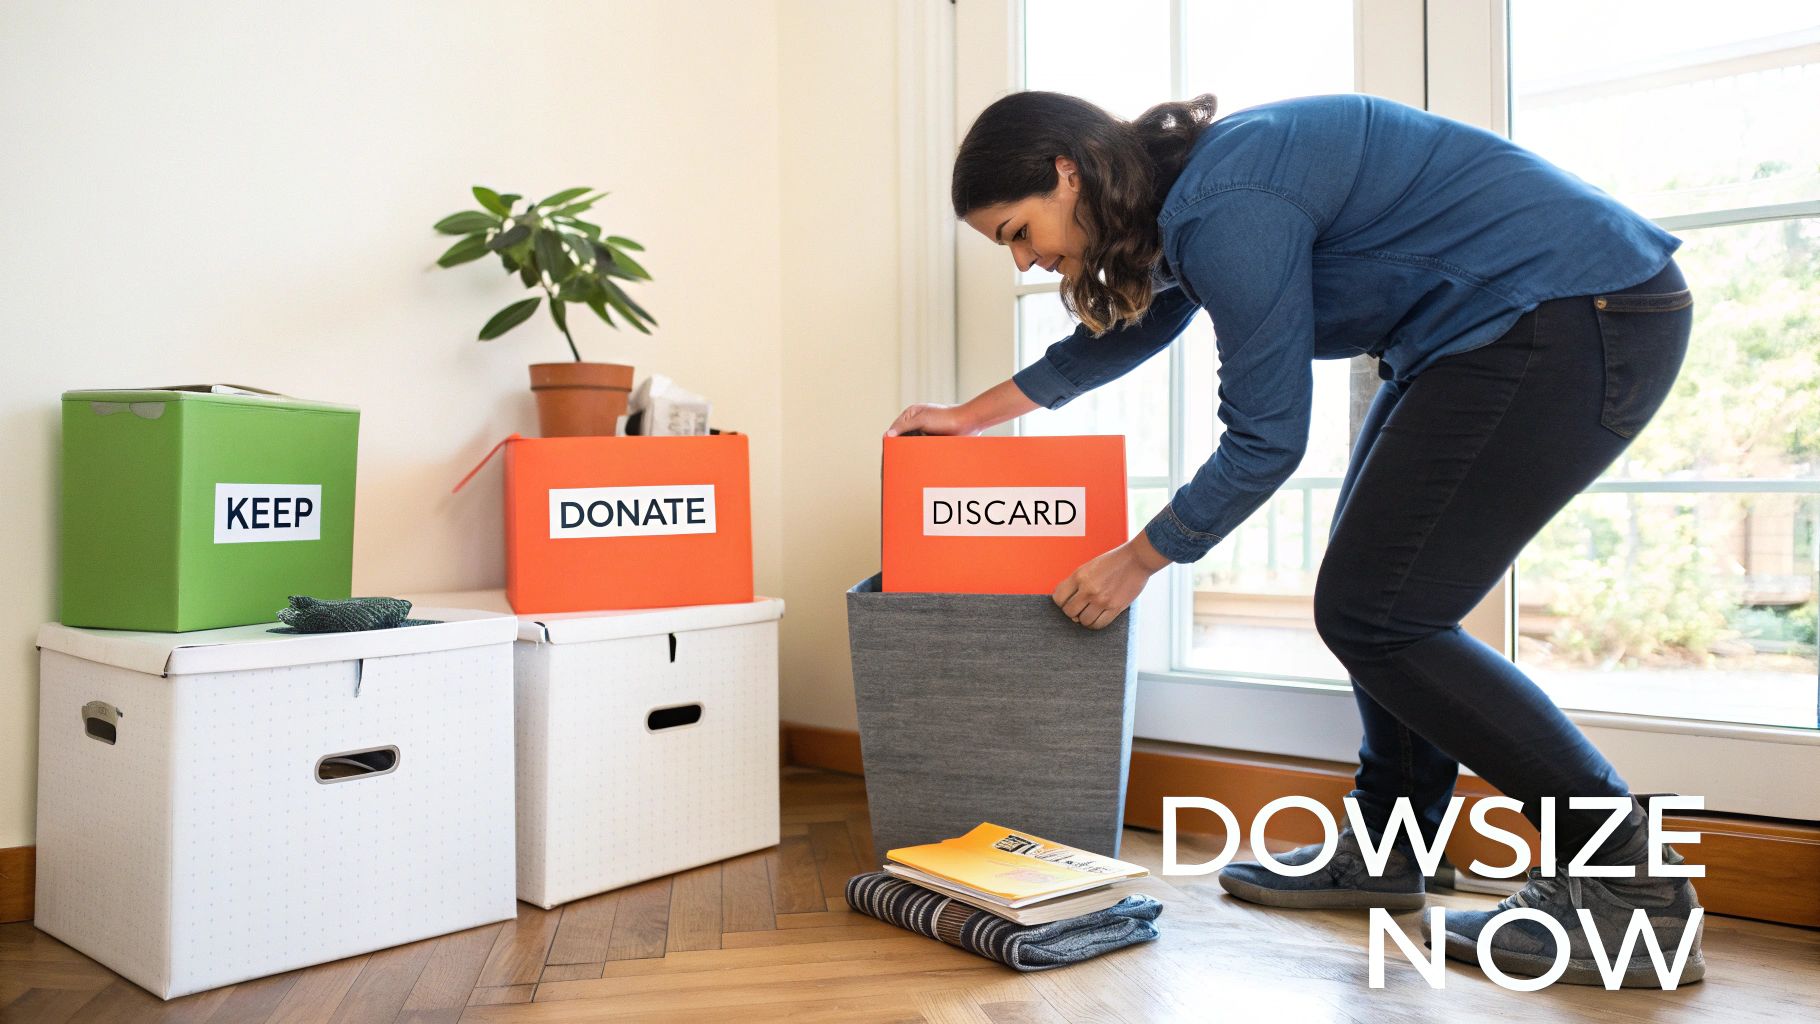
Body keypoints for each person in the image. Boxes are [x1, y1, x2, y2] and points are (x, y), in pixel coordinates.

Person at [886, 90, 1701, 988]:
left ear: (1064, 171)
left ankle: (1639, 891)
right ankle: (1393, 849)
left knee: (1379, 613)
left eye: (1017, 230)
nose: (1032, 259)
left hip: (1570, 314)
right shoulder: (1181, 200)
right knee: (1378, 606)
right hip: (1487, 333)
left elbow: (1268, 438)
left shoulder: (1226, 203)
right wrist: (974, 416)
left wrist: (1140, 557)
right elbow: (1130, 329)